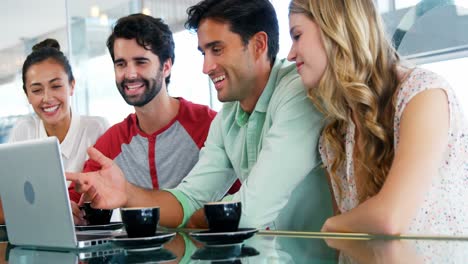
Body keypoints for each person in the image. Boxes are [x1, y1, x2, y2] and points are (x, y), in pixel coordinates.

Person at [68, 0, 332, 231]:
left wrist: (193, 218)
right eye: (203, 53)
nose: (206, 67)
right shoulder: (228, 116)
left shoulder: (297, 90)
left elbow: (251, 210)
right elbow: (188, 198)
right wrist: (126, 192)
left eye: (217, 50)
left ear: (258, 45)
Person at [287, 0, 468, 235]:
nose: (290, 54)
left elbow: (388, 219)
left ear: (334, 27)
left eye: (297, 35)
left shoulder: (423, 94)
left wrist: (331, 227)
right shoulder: (334, 137)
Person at [69, 14, 241, 224]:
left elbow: (245, 204)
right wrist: (71, 209)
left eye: (141, 62)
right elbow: (75, 199)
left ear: (166, 66)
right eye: (121, 64)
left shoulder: (209, 125)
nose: (130, 74)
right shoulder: (114, 140)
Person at [0, 39, 109, 225]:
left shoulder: (96, 129)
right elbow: (11, 199)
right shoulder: (24, 131)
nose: (47, 98)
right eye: (36, 90)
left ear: (72, 85)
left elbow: (103, 196)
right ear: (27, 94)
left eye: (56, 86)